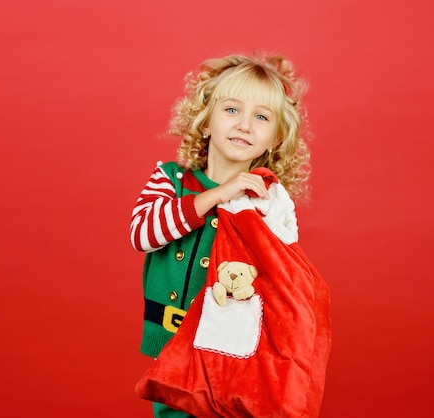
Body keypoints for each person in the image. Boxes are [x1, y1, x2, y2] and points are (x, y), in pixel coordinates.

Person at [129, 51, 313, 418]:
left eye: (260, 117)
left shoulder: (267, 201)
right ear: (205, 121)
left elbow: (283, 284)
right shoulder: (170, 179)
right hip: (169, 344)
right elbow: (143, 234)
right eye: (231, 110)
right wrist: (216, 195)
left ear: (274, 138)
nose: (244, 125)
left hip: (231, 349)